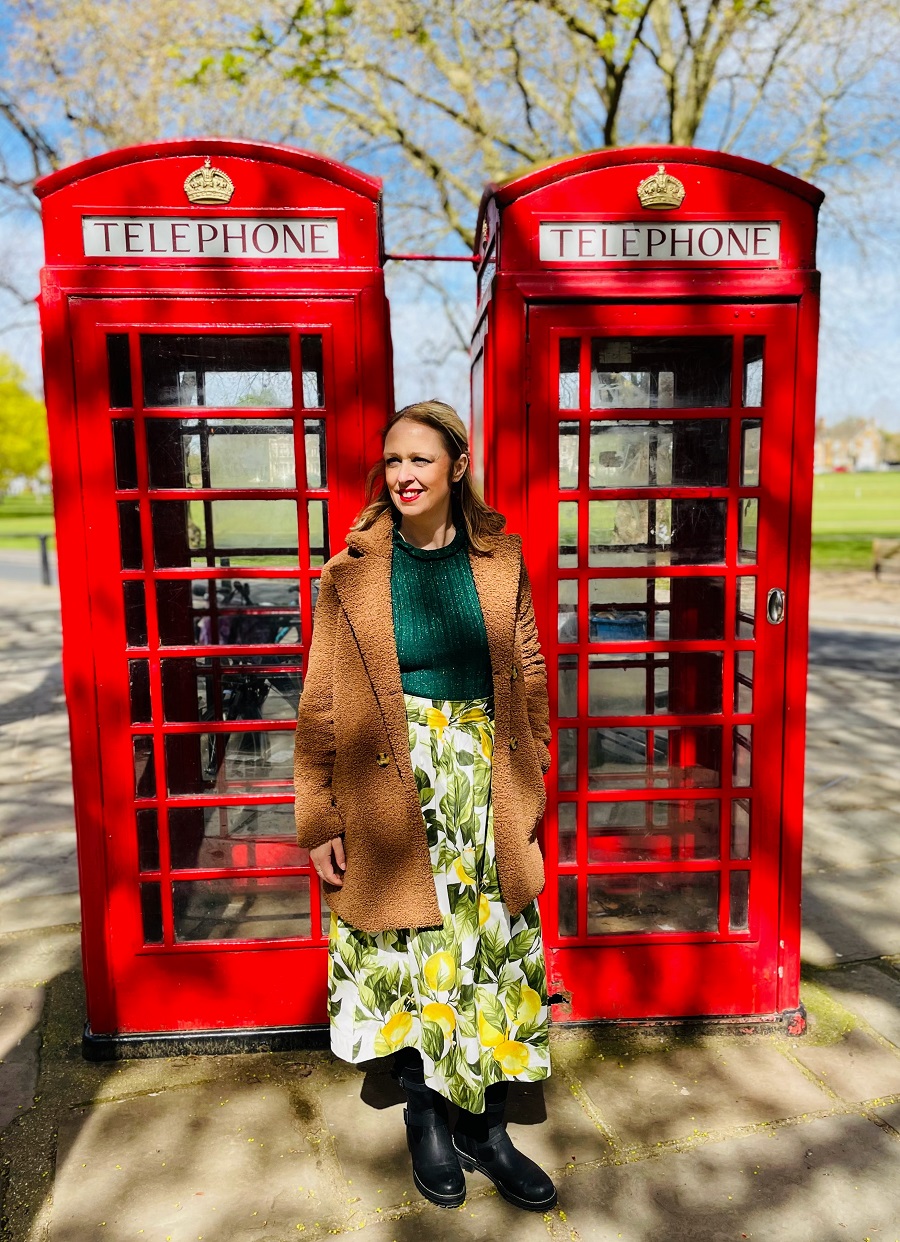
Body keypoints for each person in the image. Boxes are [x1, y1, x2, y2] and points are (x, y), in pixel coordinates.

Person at [293, 400, 557, 1212]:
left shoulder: (502, 559)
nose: (404, 475)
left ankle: (488, 1128)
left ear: (458, 467)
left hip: (486, 786)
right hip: (391, 790)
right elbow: (321, 700)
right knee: (411, 956)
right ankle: (428, 1121)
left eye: (421, 460)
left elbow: (531, 673)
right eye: (394, 461)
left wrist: (537, 769)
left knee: (491, 951)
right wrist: (318, 816)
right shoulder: (351, 572)